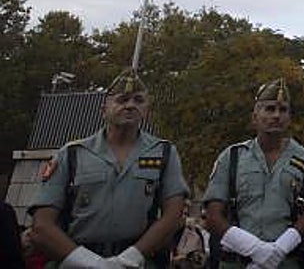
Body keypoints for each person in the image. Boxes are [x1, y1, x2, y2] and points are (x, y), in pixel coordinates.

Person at [28, 69, 188, 268]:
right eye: (122, 100)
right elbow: (42, 224)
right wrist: (89, 263)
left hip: (137, 261)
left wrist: (131, 257)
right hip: (76, 259)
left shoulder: (164, 152)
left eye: (138, 100)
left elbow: (174, 214)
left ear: (146, 111)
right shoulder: (72, 154)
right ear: (103, 109)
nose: (130, 106)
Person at [204, 78, 304, 269]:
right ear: (254, 117)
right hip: (237, 262)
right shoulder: (231, 157)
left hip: (285, 261)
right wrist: (254, 248)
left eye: (283, 110)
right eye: (269, 109)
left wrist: (280, 248)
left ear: (290, 118)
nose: (276, 116)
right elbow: (212, 214)